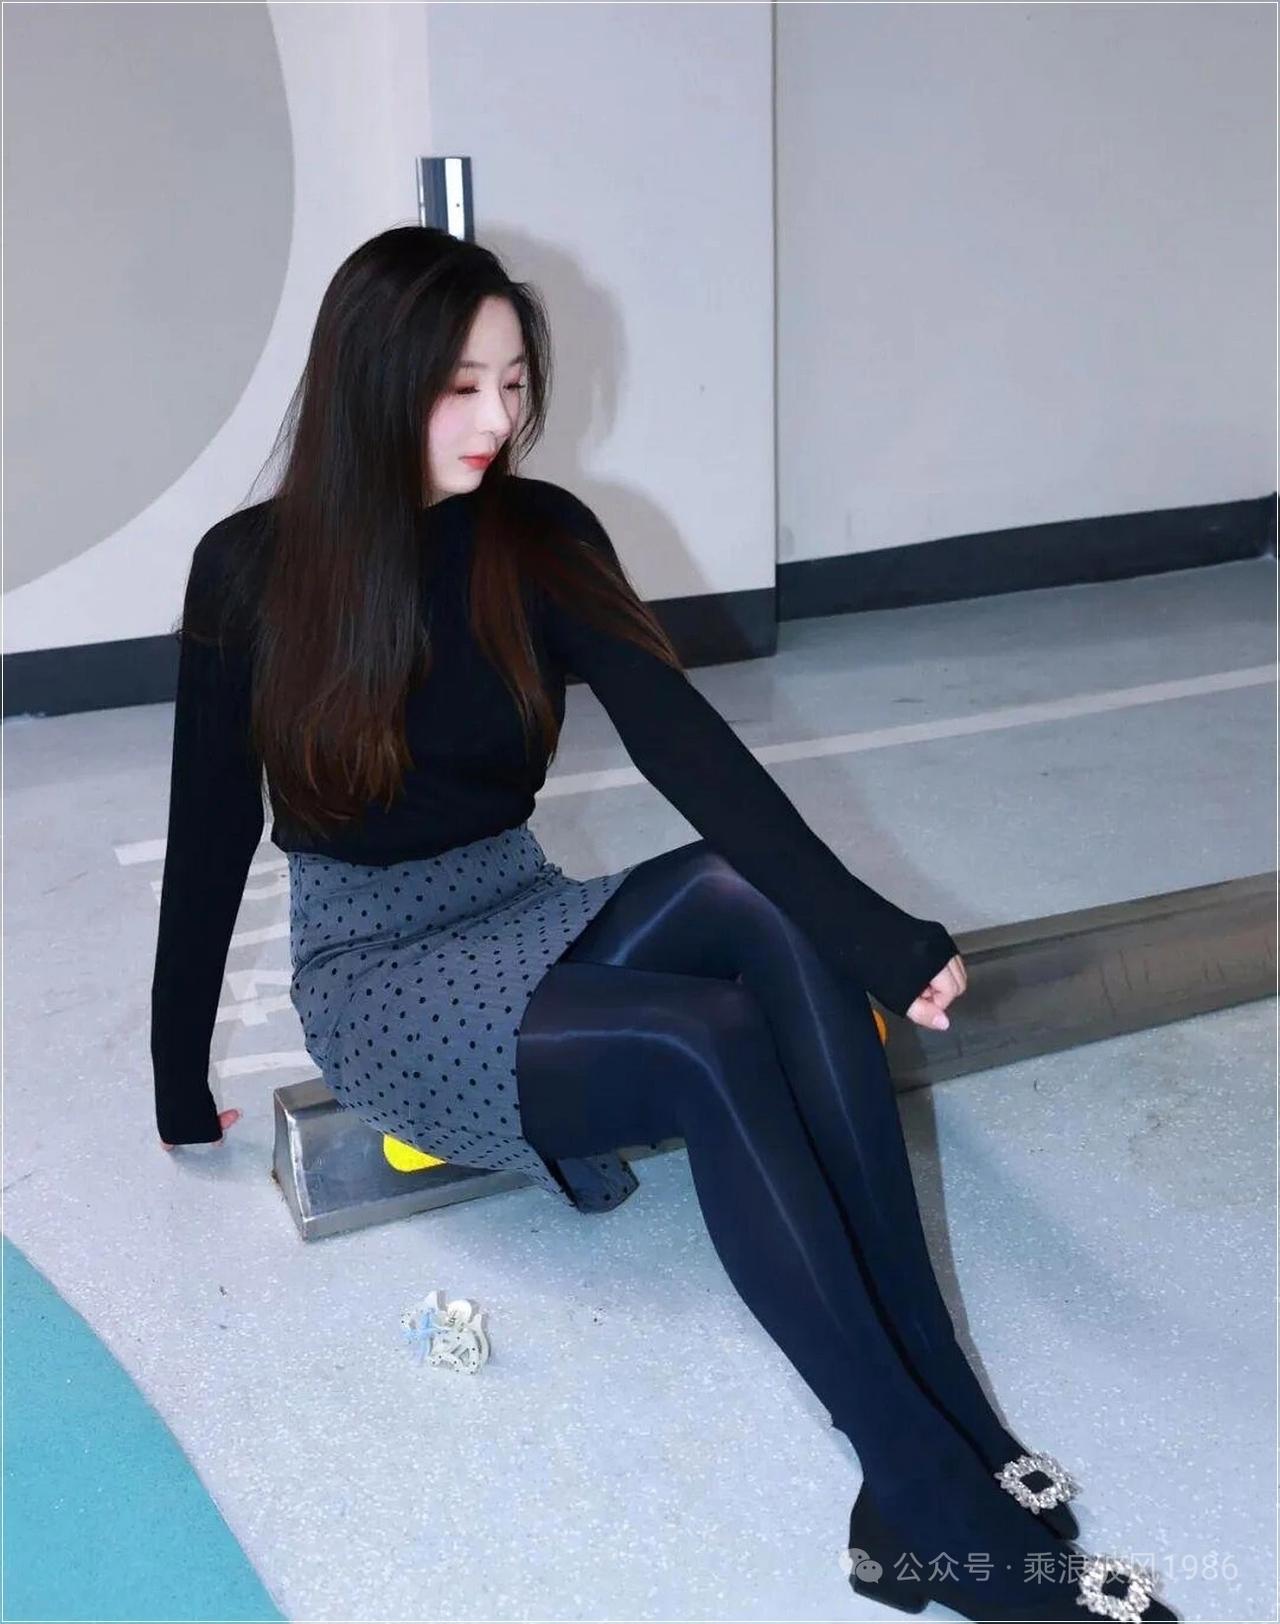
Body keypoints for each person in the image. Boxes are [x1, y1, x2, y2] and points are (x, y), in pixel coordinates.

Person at [151, 225, 1177, 1622]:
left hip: (516, 905)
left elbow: (687, 746)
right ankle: (928, 1499)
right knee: (706, 1039)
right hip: (379, 973)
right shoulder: (250, 570)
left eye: (516, 383)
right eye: (462, 386)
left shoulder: (540, 535)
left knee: (755, 903)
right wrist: (177, 1079)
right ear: (373, 383)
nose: (498, 419)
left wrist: (874, 936)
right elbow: (210, 833)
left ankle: (952, 1431)